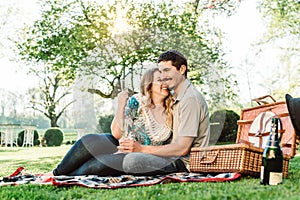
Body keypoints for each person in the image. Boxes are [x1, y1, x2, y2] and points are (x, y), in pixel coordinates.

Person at [50, 68, 174, 176]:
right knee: (90, 141)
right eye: (159, 80)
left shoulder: (173, 109)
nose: (165, 83)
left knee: (100, 164)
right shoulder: (137, 102)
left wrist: (141, 149)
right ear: (149, 85)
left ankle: (62, 176)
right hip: (122, 144)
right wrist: (121, 105)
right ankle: (56, 173)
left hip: (142, 155)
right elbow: (116, 134)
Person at [119, 49, 210, 173]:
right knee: (96, 144)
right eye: (161, 72)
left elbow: (182, 148)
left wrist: (141, 149)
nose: (163, 77)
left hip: (184, 164)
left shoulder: (190, 99)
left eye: (167, 70)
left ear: (182, 70)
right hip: (171, 158)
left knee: (132, 161)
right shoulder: (177, 99)